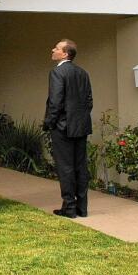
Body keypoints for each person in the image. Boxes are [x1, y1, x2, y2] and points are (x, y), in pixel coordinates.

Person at [43, 39, 93, 218]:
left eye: (56, 48)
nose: (53, 49)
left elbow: (55, 102)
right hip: (80, 127)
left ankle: (69, 208)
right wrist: (79, 120)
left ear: (65, 54)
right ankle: (82, 208)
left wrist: (50, 123)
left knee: (65, 168)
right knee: (80, 167)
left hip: (63, 128)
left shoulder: (57, 72)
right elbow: (89, 101)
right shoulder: (83, 73)